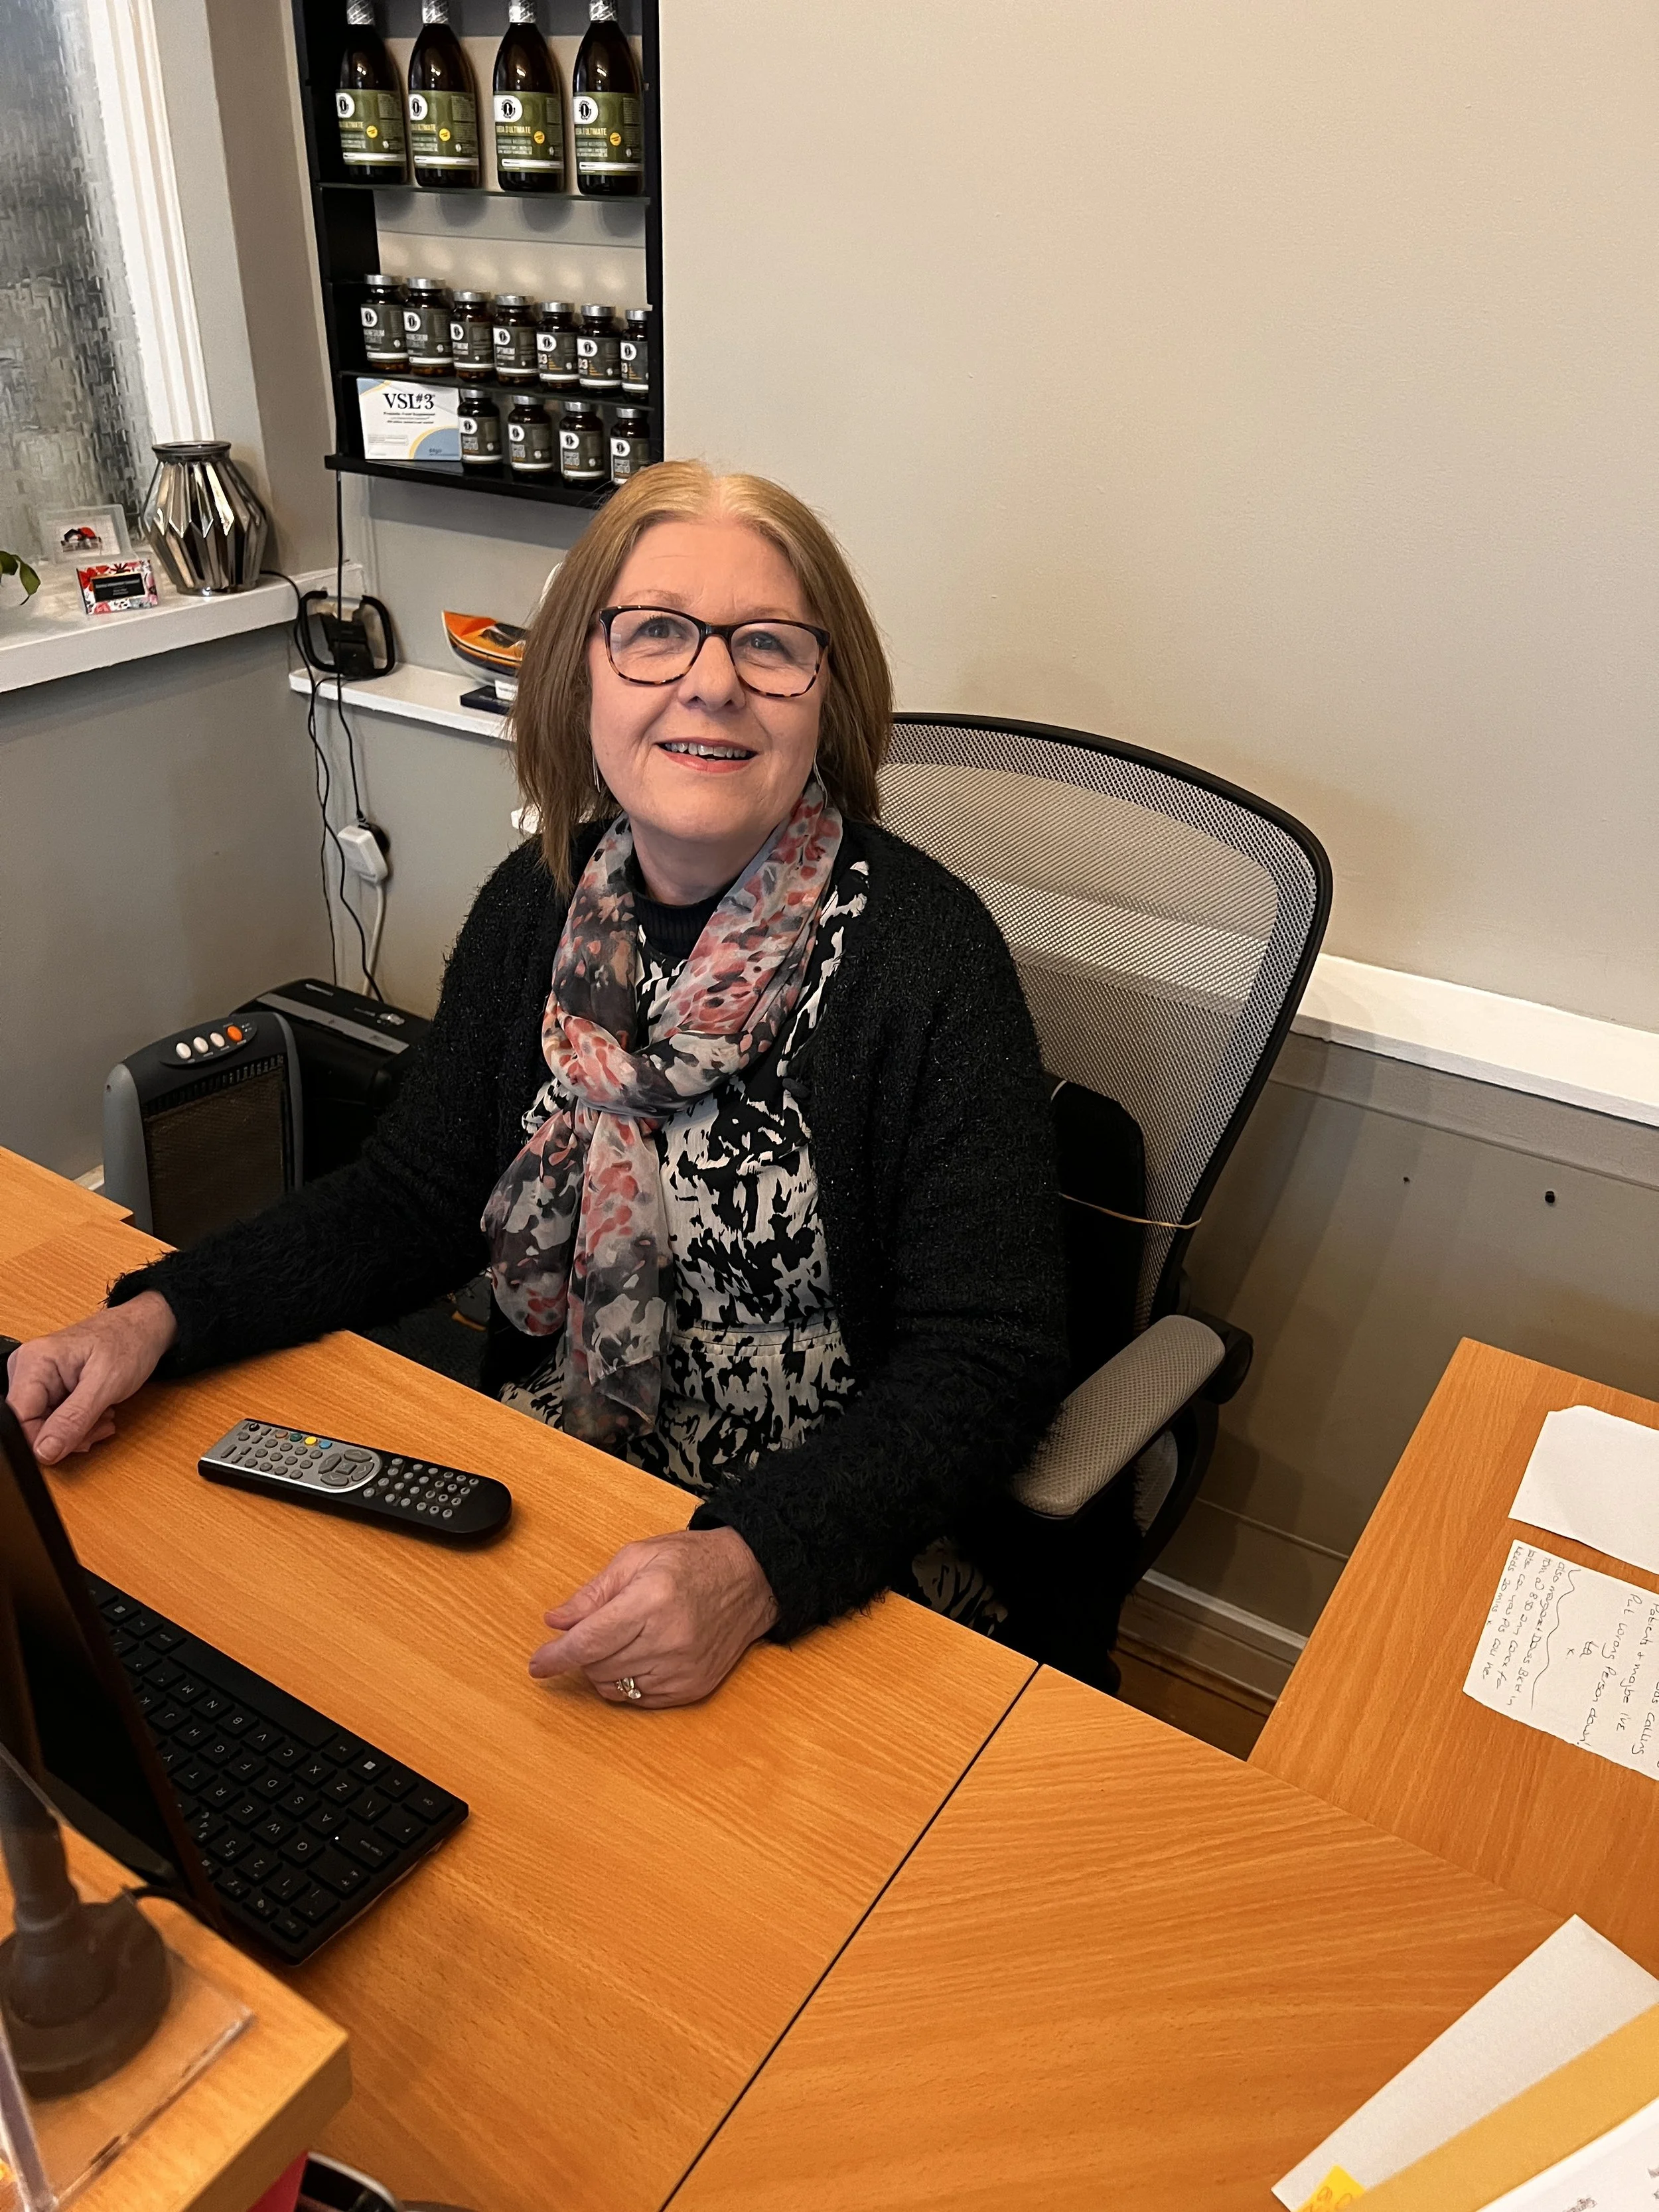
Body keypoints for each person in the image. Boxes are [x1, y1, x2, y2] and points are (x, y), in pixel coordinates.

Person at [5, 463, 1068, 1708]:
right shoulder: (540, 907)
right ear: (581, 677)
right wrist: (157, 1318)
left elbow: (988, 1360)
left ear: (825, 696)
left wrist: (752, 1563)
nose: (712, 681)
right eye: (657, 632)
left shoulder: (926, 957)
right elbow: (414, 1195)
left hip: (833, 1567)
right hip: (551, 1487)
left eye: (769, 646)